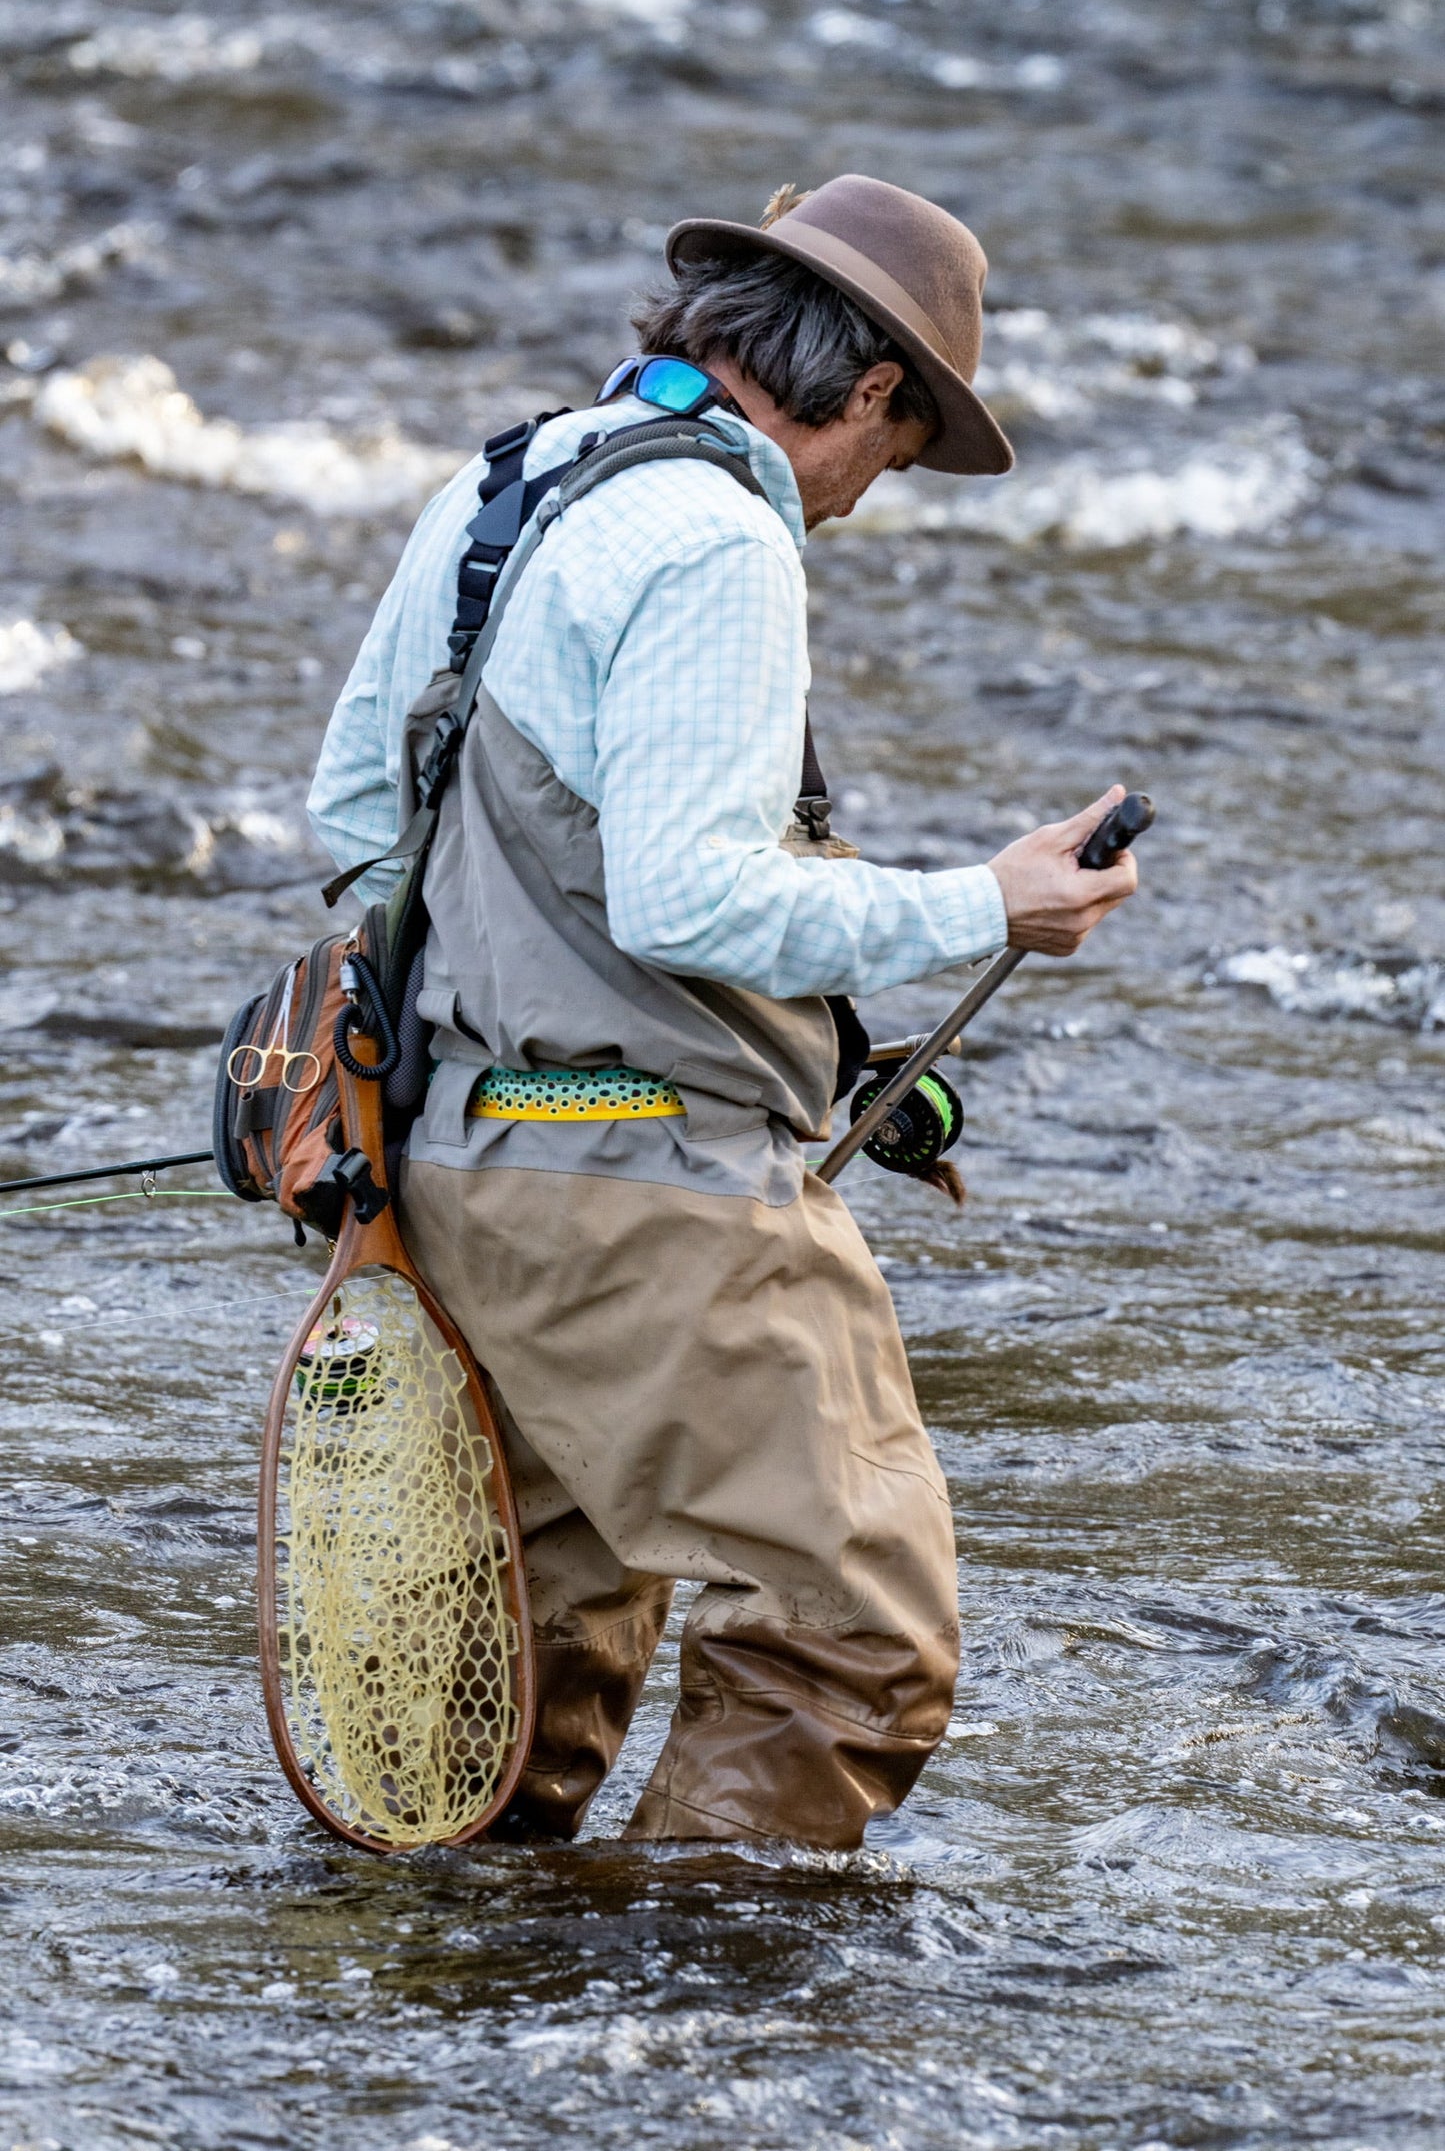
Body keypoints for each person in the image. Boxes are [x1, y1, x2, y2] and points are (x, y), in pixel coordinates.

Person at [308, 174, 1138, 1849]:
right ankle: (682, 2043)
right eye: (888, 467)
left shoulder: (510, 480)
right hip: (654, 1202)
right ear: (875, 391)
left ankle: (458, 2016)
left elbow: (352, 820)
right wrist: (985, 904)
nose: (852, 507)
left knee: (504, 1690)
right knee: (858, 1642)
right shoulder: (717, 535)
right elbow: (683, 896)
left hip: (454, 1179)